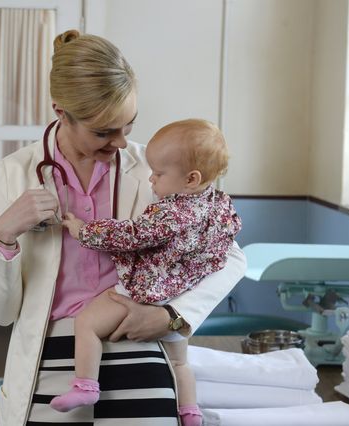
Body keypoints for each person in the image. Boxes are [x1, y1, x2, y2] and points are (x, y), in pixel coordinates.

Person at [0, 29, 246, 425]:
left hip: (138, 336)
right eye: (103, 132)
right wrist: (4, 235)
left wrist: (173, 315)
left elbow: (229, 256)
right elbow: (1, 313)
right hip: (48, 349)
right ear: (61, 112)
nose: (121, 143)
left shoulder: (161, 170)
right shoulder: (12, 174)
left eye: (128, 126)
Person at [50, 119, 242, 426]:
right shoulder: (220, 205)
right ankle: (189, 411)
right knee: (179, 361)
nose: (151, 178)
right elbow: (221, 249)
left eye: (159, 174)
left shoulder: (169, 213)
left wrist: (83, 231)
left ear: (191, 178)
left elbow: (131, 235)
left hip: (142, 291)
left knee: (86, 324)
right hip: (179, 297)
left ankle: (85, 386)